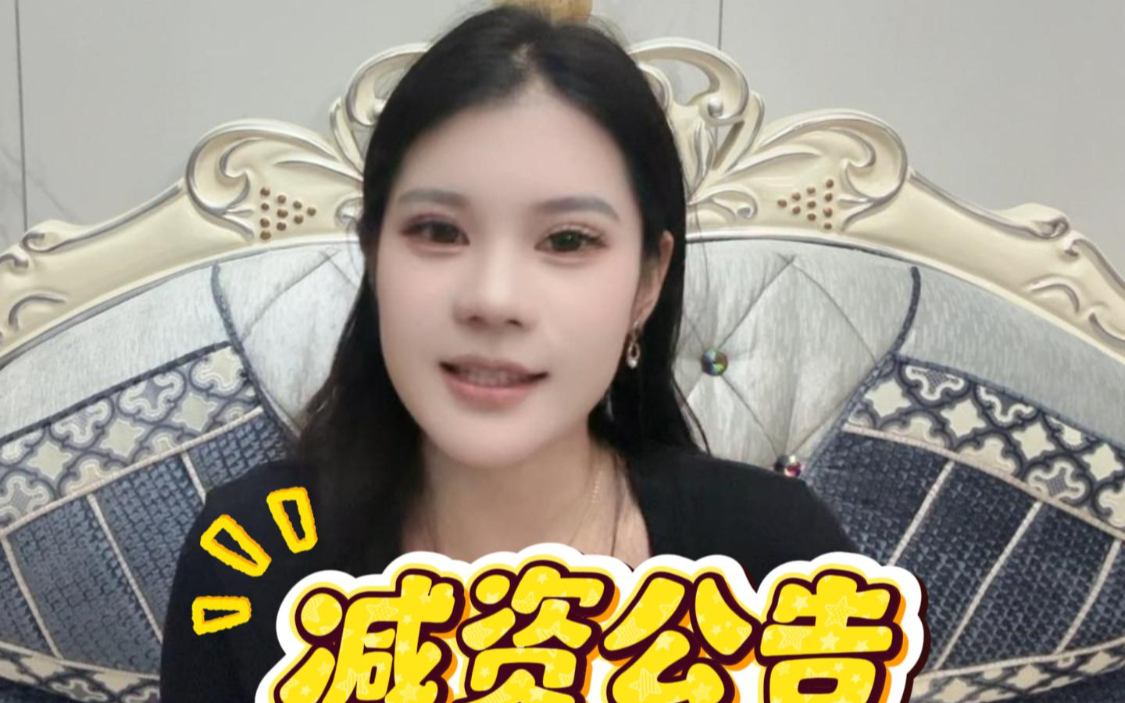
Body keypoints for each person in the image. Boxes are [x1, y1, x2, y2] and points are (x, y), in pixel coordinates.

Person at [159, 3, 857, 700]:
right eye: (438, 231)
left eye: (567, 240)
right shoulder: (250, 557)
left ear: (648, 280)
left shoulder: (780, 563)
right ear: (373, 254)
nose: (493, 300)